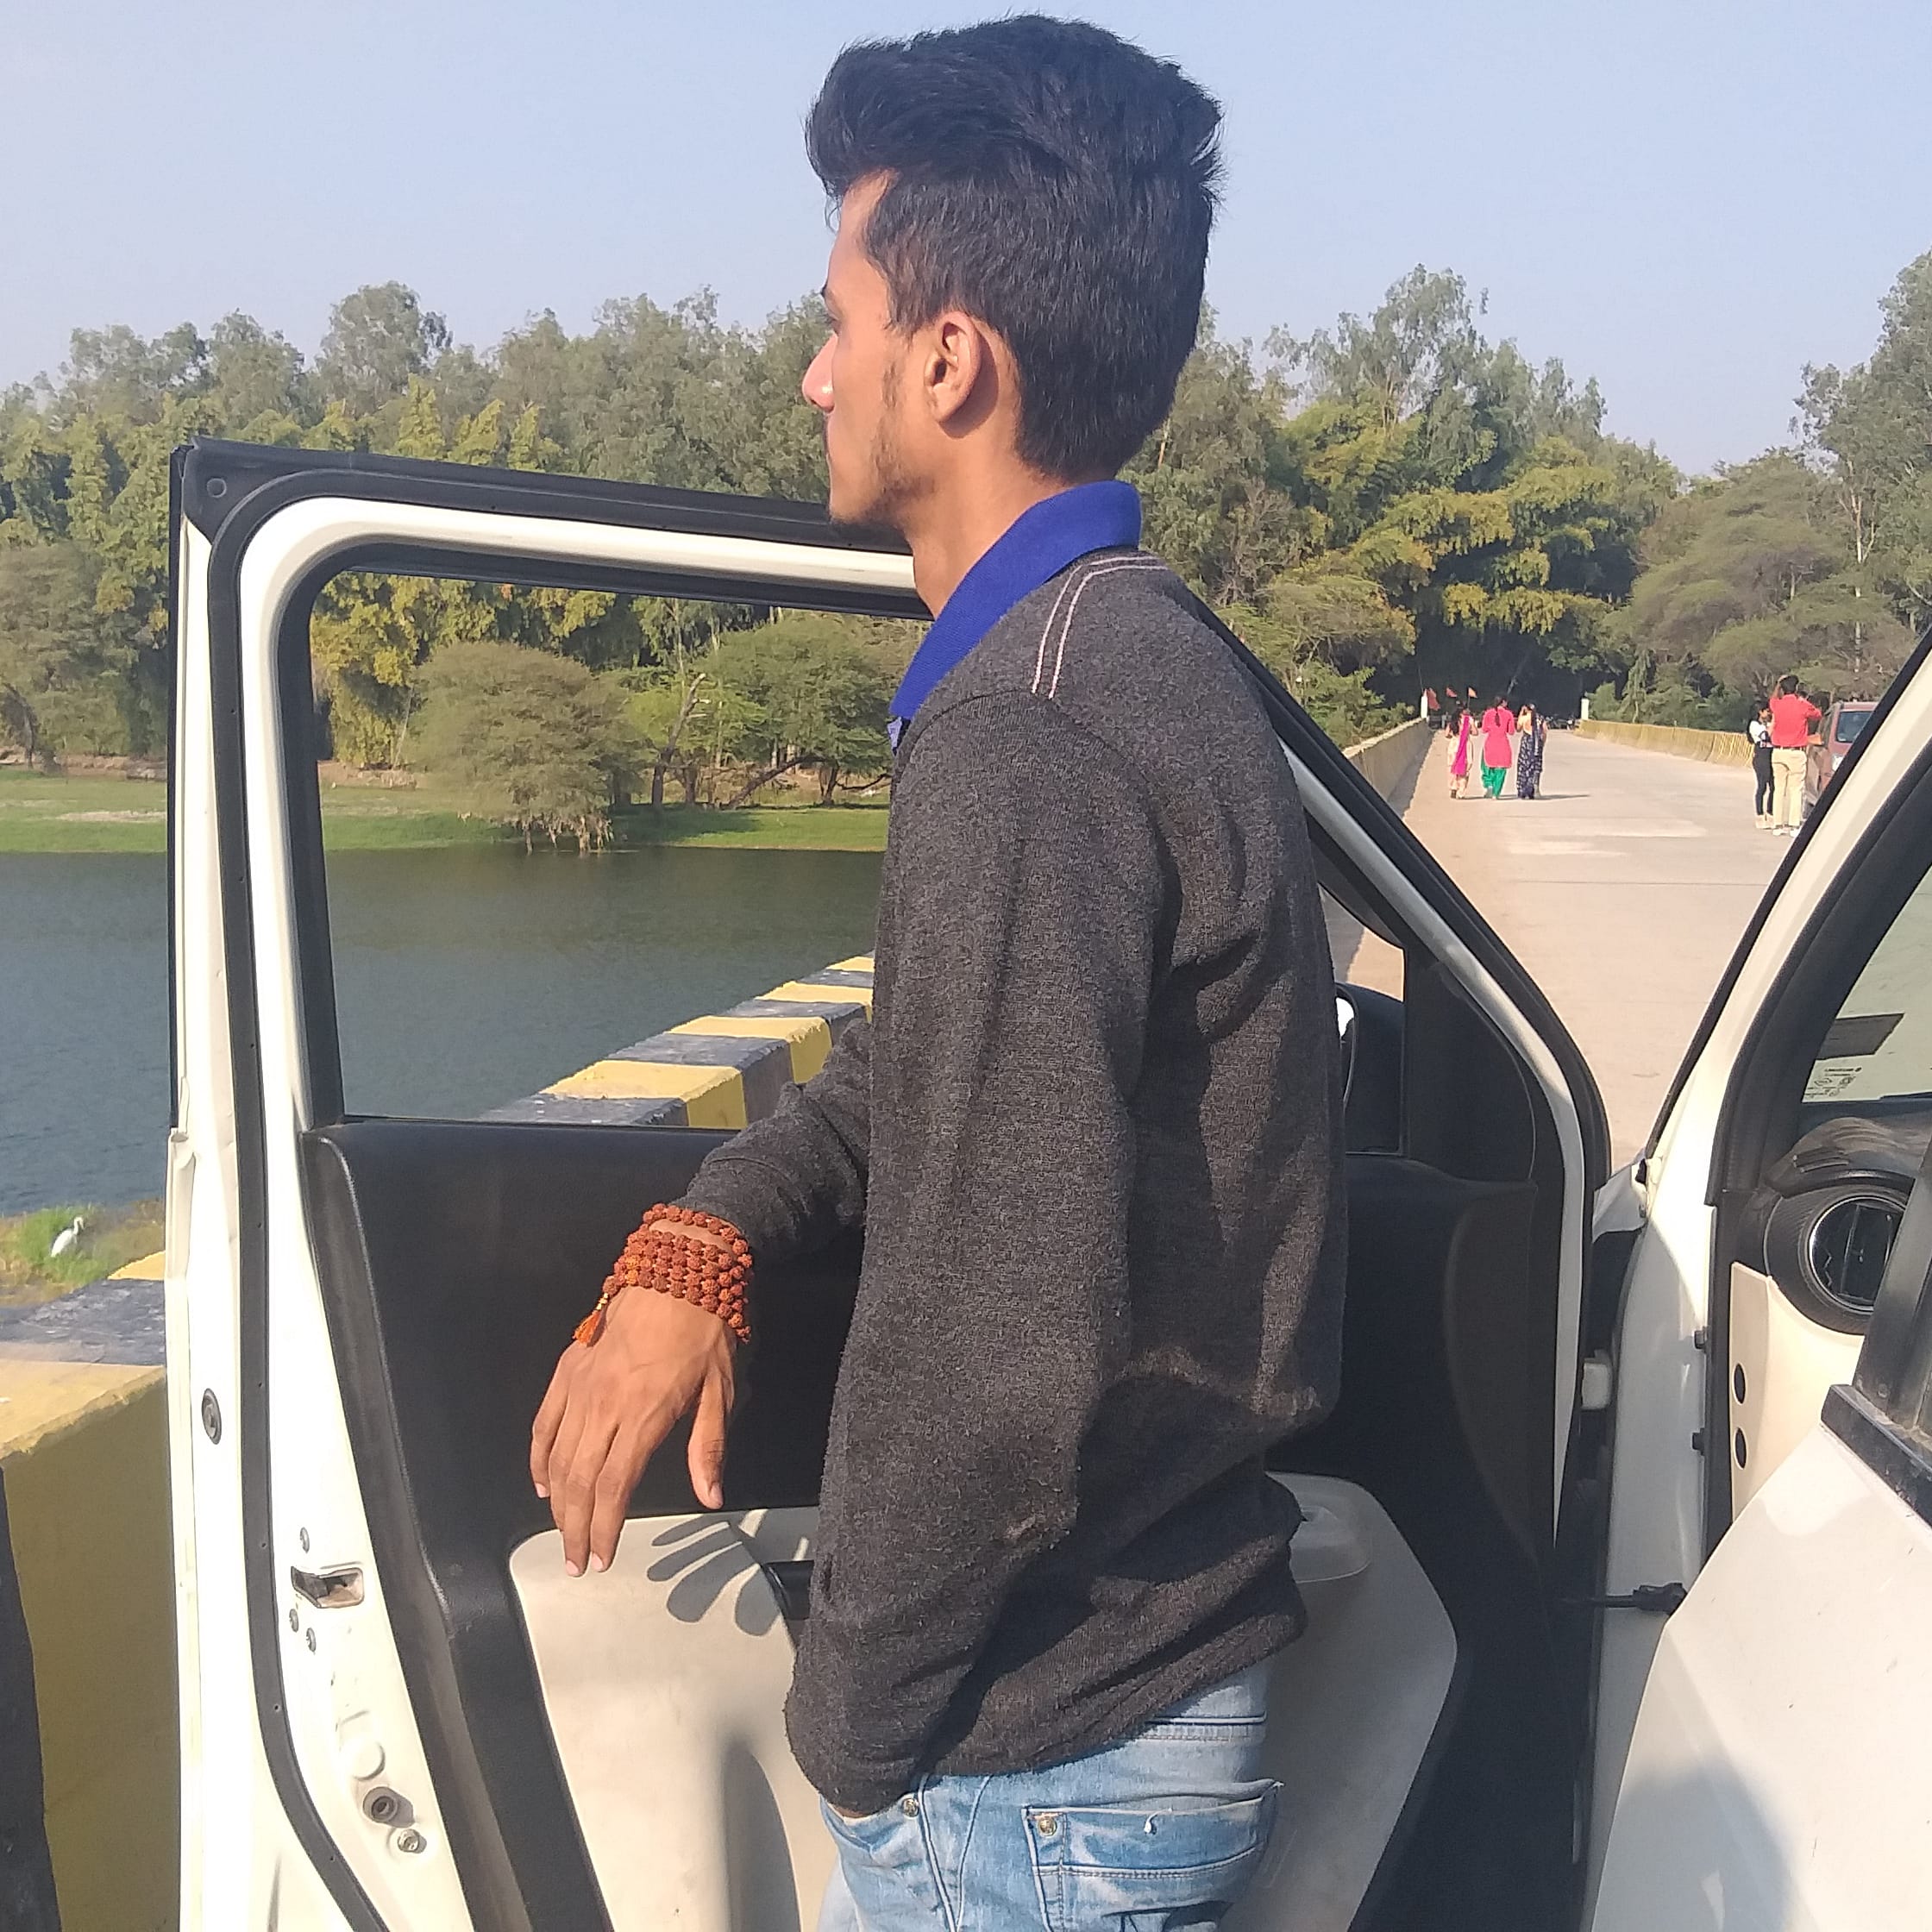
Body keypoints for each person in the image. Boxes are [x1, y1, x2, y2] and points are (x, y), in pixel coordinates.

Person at [528, 20, 1345, 1930]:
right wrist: (707, 1238)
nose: (816, 371)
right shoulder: (1125, 649)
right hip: (1108, 1731)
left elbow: (997, 1343)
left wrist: (853, 1724)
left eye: (839, 321)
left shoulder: (1029, 729)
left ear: (950, 359)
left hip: (1036, 1775)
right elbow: (928, 1075)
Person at [1767, 673, 1821, 836]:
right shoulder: (1802, 705)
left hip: (1778, 751)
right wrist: (1802, 700)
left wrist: (1778, 684)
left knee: (1779, 789)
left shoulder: (1777, 704)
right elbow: (1817, 714)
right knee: (1796, 790)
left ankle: (1777, 825)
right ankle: (1794, 825)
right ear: (1796, 688)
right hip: (1796, 752)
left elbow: (1772, 699)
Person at [1479, 696, 1515, 799]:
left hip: (1490, 743)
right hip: (1503, 744)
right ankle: (1496, 793)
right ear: (1504, 703)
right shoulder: (1509, 714)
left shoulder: (1488, 713)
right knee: (1501, 769)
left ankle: (1489, 785)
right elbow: (1511, 731)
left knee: (1487, 766)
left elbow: (1484, 730)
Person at [1747, 702, 1774, 828]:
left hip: (1771, 755)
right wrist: (1774, 724)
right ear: (1760, 712)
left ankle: (1770, 812)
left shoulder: (1767, 724)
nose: (1768, 713)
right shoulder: (1754, 725)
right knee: (1762, 786)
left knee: (1774, 786)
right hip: (1761, 756)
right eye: (1766, 711)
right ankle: (1759, 814)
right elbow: (1765, 736)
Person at [1515, 701, 1546, 800]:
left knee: (1524, 766)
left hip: (1526, 743)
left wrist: (1521, 714)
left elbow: (1518, 728)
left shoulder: (1524, 718)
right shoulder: (1540, 719)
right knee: (1536, 767)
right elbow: (1544, 732)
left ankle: (1523, 789)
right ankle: (1534, 788)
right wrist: (1542, 743)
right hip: (1536, 744)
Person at [1449, 699, 1474, 797]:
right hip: (1465, 744)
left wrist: (1454, 735)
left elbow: (1447, 733)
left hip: (1454, 744)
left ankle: (1453, 787)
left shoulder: (1453, 720)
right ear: (1464, 710)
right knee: (1465, 767)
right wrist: (1469, 731)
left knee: (1454, 766)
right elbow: (1475, 732)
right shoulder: (1469, 720)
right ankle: (1461, 791)